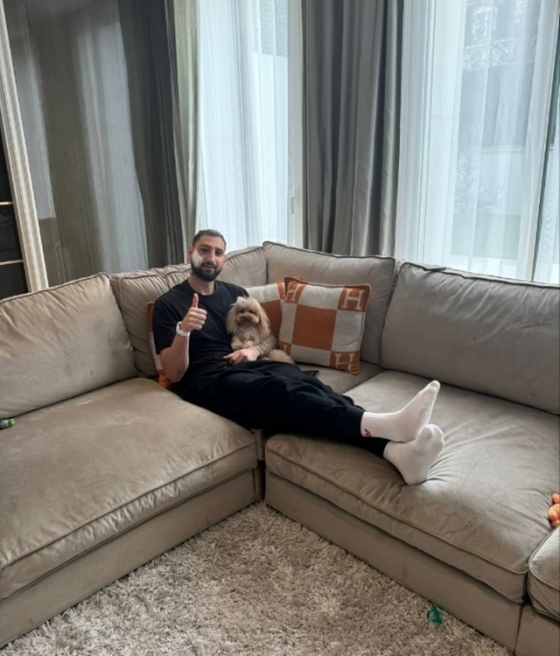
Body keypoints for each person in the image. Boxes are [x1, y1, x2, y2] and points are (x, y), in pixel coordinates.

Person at [152, 229, 444, 485]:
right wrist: (183, 330)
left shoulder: (236, 294)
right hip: (204, 381)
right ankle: (386, 426)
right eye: (204, 250)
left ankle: (394, 452)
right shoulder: (168, 304)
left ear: (224, 259)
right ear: (190, 252)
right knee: (280, 390)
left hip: (246, 367)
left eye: (218, 252)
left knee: (306, 382)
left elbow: (268, 338)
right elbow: (174, 373)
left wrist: (253, 350)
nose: (210, 258)